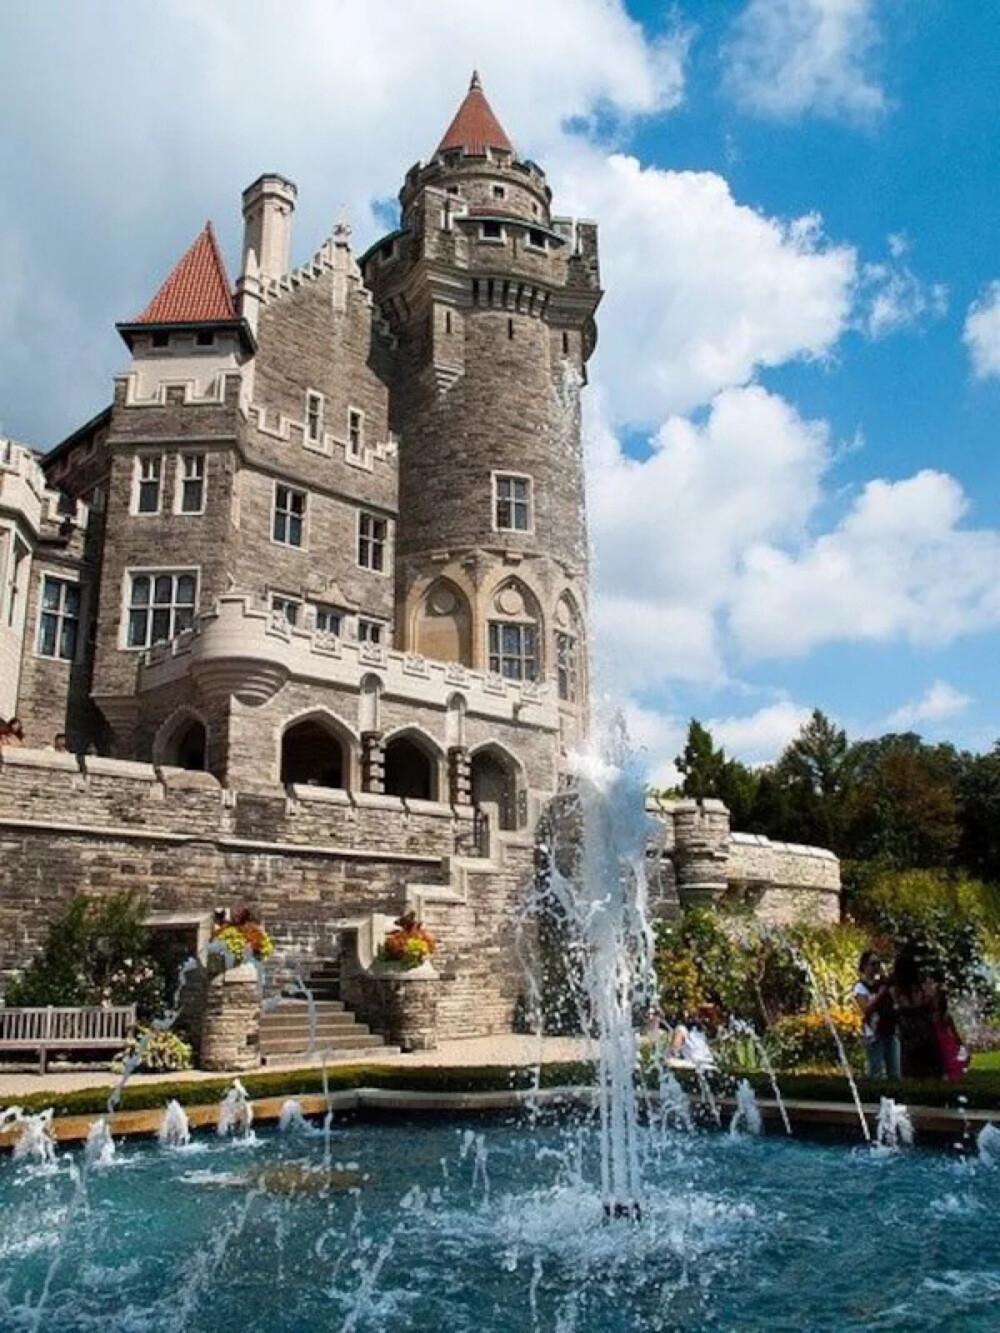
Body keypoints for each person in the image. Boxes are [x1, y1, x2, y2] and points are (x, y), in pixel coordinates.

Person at [891, 948, 943, 1079]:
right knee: (931, 1071)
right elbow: (935, 1009)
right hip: (926, 1031)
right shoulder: (922, 989)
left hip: (908, 1034)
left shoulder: (895, 991)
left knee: (912, 1072)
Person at [853, 951, 900, 1079]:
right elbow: (865, 1008)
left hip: (890, 1030)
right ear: (864, 966)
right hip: (874, 1032)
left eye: (879, 964)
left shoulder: (883, 984)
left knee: (894, 1071)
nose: (876, 967)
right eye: (873, 964)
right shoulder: (860, 987)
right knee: (876, 1070)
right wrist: (880, 994)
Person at [933, 990, 969, 1082]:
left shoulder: (938, 1015)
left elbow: (954, 1032)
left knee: (945, 1060)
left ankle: (945, 1077)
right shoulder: (945, 1016)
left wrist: (960, 1043)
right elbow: (954, 1032)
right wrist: (960, 1043)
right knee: (947, 1060)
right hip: (944, 1039)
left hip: (941, 1040)